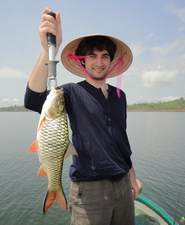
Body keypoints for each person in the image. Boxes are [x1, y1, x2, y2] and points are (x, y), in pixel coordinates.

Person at [24, 8, 141, 225]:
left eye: (105, 56)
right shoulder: (69, 92)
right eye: (92, 56)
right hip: (90, 191)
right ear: (83, 61)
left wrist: (132, 177)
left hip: (124, 185)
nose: (99, 62)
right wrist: (48, 50)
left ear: (111, 60)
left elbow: (121, 141)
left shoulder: (119, 96)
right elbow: (32, 99)